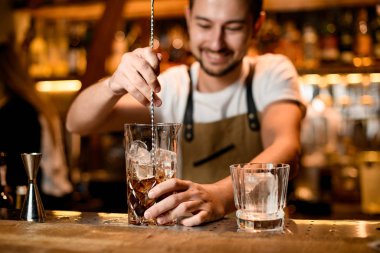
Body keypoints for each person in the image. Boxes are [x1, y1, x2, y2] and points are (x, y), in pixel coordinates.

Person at [66, 0, 305, 226]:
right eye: (204, 25)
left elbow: (286, 147)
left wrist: (221, 196)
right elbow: (77, 123)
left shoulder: (271, 73)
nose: (216, 42)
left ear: (256, 25)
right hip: (188, 238)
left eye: (233, 27)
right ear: (189, 18)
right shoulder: (172, 87)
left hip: (262, 233)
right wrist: (113, 85)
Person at [0, 0, 72, 207]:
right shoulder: (31, 104)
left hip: (32, 200)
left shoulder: (17, 111)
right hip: (50, 196)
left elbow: (16, 169)